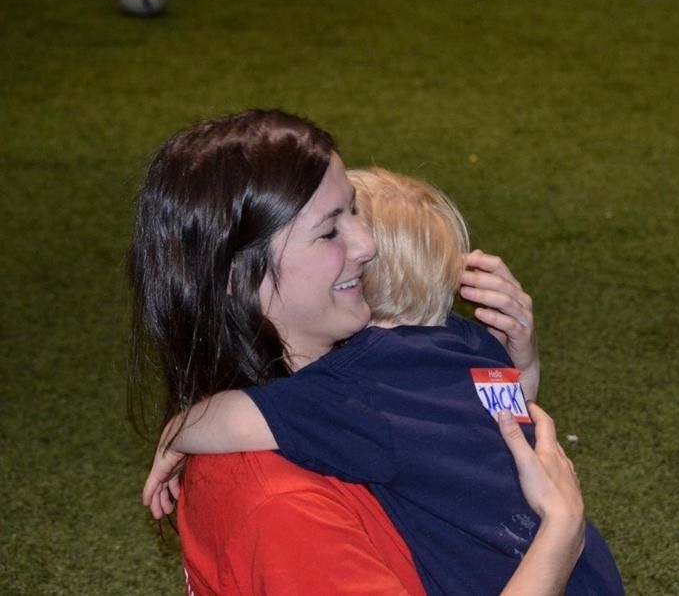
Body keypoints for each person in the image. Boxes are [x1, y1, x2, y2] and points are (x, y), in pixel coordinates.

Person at [129, 110, 589, 595]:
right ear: (236, 277)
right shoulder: (283, 504)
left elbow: (475, 453)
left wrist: (521, 367)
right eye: (330, 231)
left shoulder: (364, 384)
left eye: (354, 211)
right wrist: (561, 534)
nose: (367, 244)